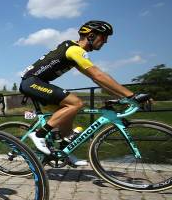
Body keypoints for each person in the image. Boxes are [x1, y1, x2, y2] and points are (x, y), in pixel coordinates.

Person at [20, 20, 136, 166]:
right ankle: (39, 135)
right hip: (32, 82)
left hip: (37, 83)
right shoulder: (75, 50)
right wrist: (131, 95)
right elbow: (98, 75)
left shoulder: (74, 51)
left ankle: (64, 152)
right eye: (104, 37)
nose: (105, 41)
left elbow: (97, 80)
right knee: (76, 103)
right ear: (92, 35)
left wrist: (121, 96)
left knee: (67, 115)